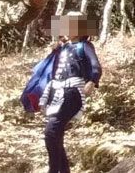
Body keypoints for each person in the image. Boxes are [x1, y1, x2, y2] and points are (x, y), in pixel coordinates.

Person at [40, 12, 102, 173]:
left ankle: (53, 170)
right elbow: (52, 70)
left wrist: (92, 81)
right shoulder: (63, 47)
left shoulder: (85, 46)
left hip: (72, 93)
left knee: (51, 132)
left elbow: (96, 66)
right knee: (56, 135)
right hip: (58, 92)